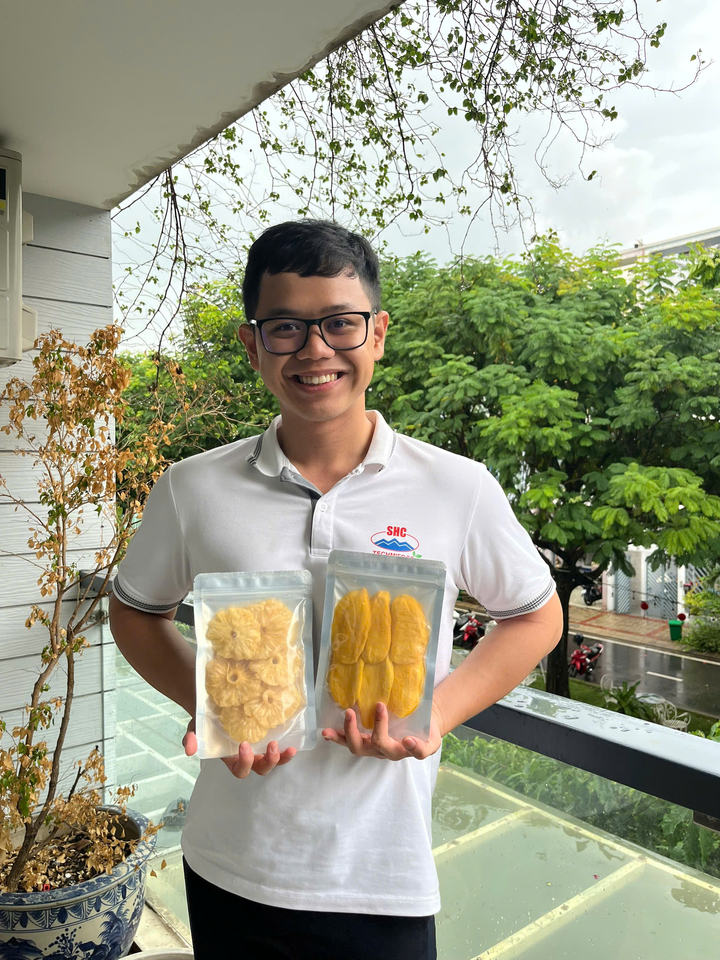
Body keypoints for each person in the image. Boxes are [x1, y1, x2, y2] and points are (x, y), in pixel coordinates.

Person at [109, 220, 562, 960]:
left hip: (382, 876)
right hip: (229, 862)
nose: (315, 349)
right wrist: (213, 705)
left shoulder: (458, 487)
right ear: (253, 344)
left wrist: (435, 718)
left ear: (376, 334)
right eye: (286, 326)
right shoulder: (193, 488)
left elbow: (536, 618)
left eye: (340, 323)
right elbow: (134, 611)